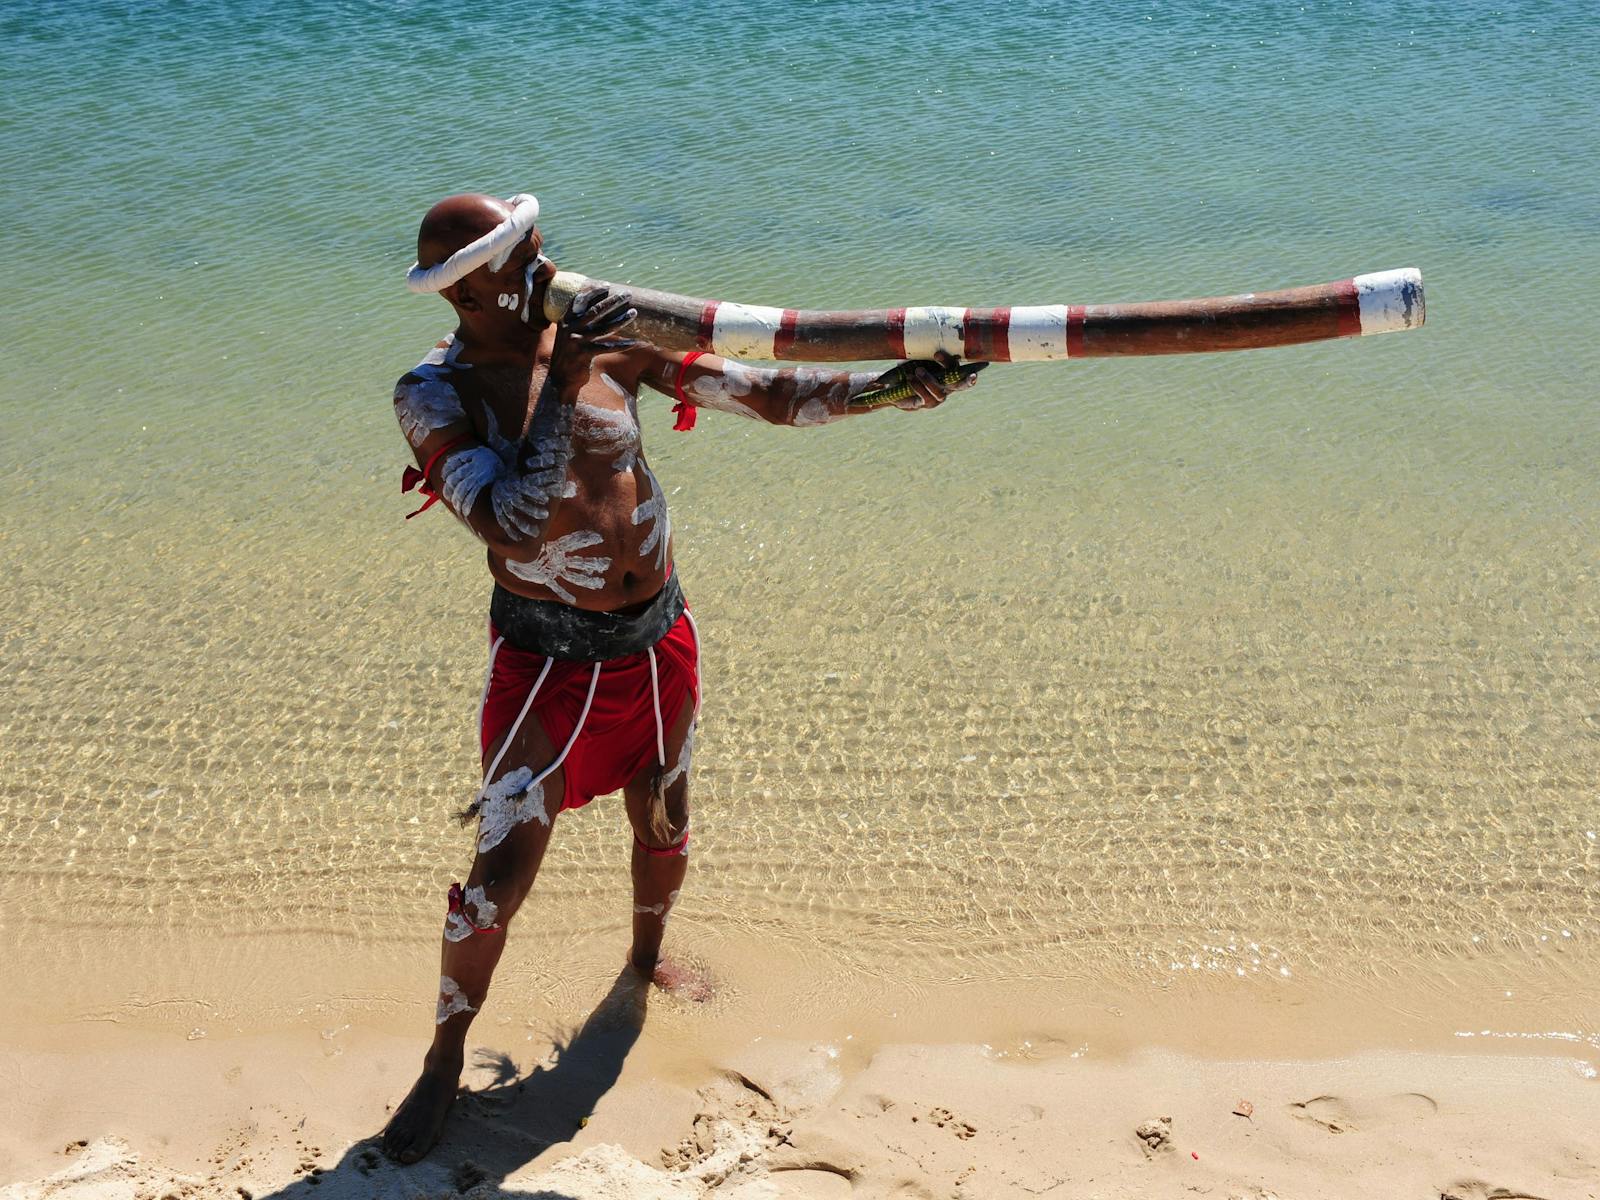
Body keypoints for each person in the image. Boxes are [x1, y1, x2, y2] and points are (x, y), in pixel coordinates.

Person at [381, 191, 980, 1163]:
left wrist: (895, 389)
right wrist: (566, 378)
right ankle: (445, 1057)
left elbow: (767, 394)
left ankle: (644, 960)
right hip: (546, 667)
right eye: (527, 259)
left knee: (663, 818)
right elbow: (509, 522)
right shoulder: (435, 395)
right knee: (497, 880)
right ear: (474, 291)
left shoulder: (614, 346)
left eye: (542, 249)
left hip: (656, 642)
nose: (550, 268)